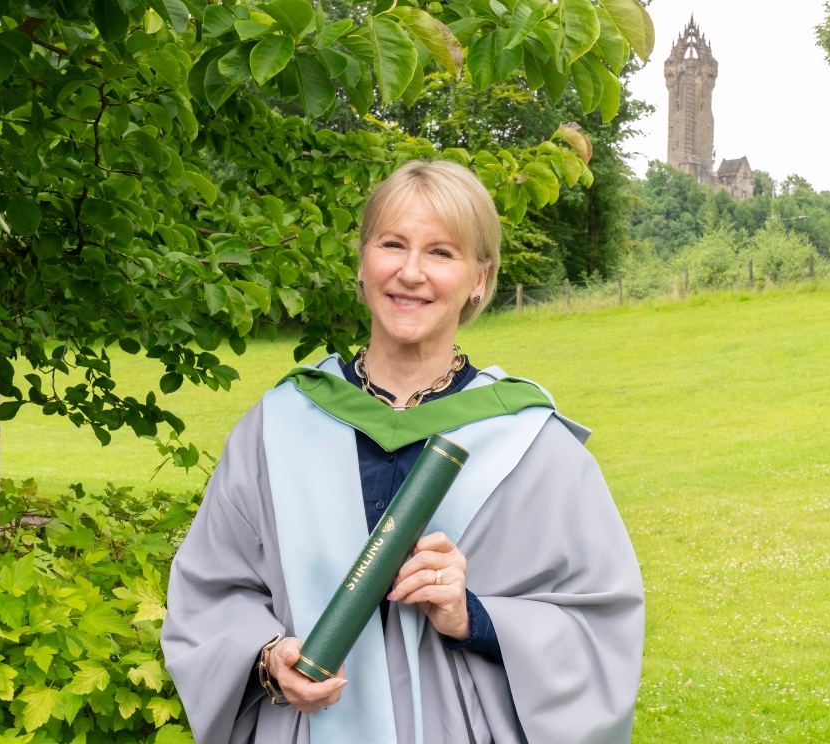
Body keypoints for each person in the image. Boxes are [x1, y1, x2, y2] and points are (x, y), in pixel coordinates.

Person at [161, 160, 645, 744]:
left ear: (480, 280)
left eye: (441, 253)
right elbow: (210, 592)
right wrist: (267, 656)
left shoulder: (534, 446)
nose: (411, 272)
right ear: (362, 264)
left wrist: (474, 617)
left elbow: (598, 626)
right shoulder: (280, 424)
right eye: (393, 245)